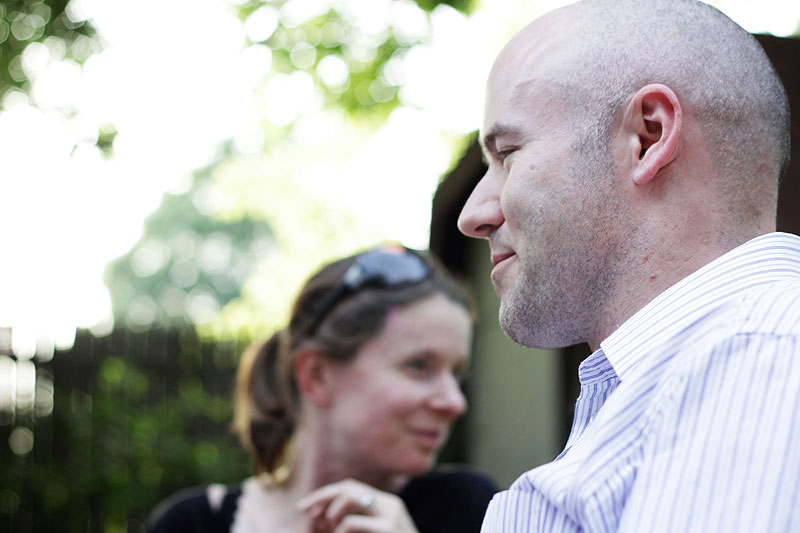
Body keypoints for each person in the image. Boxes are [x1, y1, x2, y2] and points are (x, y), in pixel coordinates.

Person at [457, 0, 798, 531]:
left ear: (648, 137)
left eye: (507, 153)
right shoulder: (710, 370)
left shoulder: (758, 355)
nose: (472, 215)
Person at [146, 245, 497, 533]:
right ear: (316, 376)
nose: (455, 402)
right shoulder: (191, 523)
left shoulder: (473, 511)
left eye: (456, 374)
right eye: (418, 366)